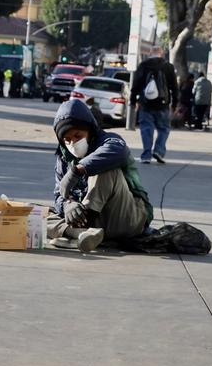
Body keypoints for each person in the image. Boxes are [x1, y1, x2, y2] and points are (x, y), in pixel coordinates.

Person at [48, 99, 154, 253]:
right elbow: (59, 194)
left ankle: (74, 232)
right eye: (67, 139)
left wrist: (78, 170)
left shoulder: (109, 141)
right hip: (93, 223)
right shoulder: (63, 159)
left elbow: (119, 151)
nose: (73, 143)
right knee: (32, 214)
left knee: (106, 168)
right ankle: (82, 235)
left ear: (90, 131)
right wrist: (67, 204)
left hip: (125, 216)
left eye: (78, 136)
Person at [130, 50, 179, 164]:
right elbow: (174, 87)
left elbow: (135, 84)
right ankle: (159, 151)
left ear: (150, 53)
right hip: (163, 104)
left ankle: (146, 155)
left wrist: (133, 101)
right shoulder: (168, 66)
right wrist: (175, 104)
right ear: (161, 54)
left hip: (145, 104)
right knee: (164, 129)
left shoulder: (143, 65)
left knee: (146, 129)